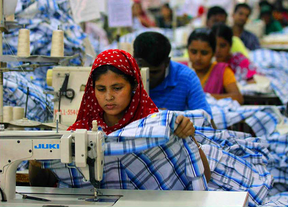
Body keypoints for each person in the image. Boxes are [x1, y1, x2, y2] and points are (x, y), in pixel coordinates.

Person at [29, 49, 211, 187]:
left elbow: (204, 176)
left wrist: (189, 139)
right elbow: (43, 184)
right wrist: (35, 161)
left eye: (117, 88)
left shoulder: (157, 126)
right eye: (101, 89)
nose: (108, 97)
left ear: (134, 86)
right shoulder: (81, 130)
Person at [133, 31, 212, 118]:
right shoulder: (126, 76)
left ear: (167, 62)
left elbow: (206, 119)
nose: (147, 77)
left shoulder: (186, 78)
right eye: (141, 70)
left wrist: (168, 116)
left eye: (154, 72)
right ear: (134, 59)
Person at [187, 28, 243, 104]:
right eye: (193, 52)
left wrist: (205, 97)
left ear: (213, 53)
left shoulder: (222, 71)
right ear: (188, 50)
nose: (198, 58)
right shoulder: (181, 71)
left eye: (204, 53)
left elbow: (238, 98)